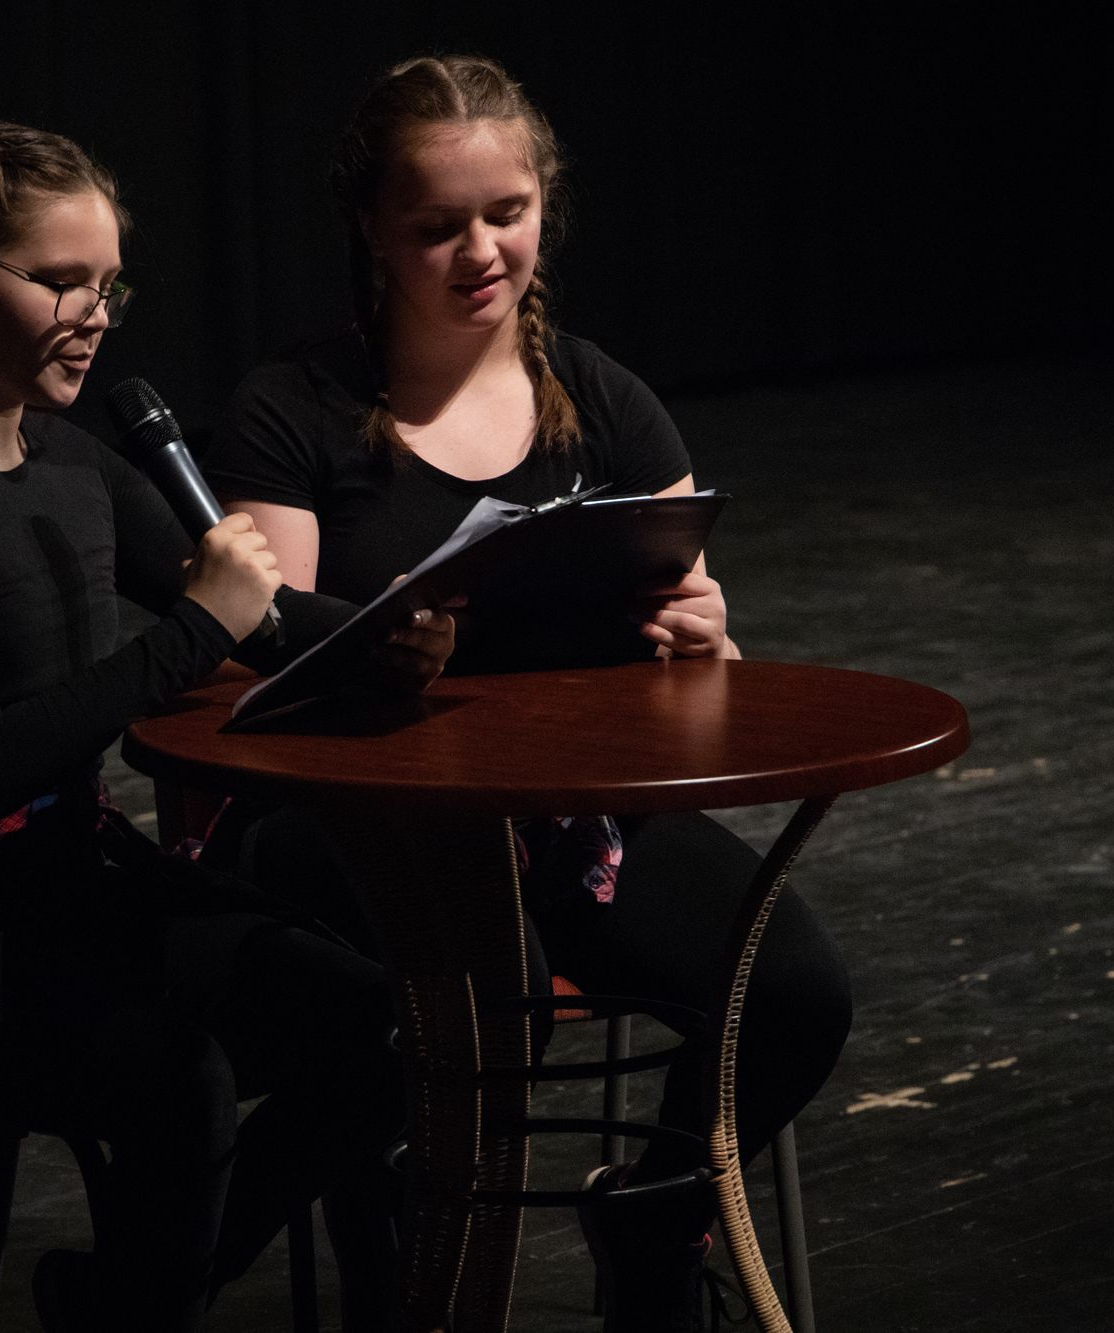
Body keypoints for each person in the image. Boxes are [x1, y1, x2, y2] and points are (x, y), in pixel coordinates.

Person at [202, 56, 854, 1331]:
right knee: (485, 1002)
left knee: (792, 994)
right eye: (436, 226)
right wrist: (368, 650)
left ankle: (652, 1216)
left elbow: (703, 675)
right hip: (359, 822)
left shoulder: (602, 400)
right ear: (370, 229)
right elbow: (254, 647)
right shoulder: (296, 410)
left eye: (506, 213)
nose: (479, 252)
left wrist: (706, 640)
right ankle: (360, 1237)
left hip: (572, 823)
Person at [0, 119, 401, 1333]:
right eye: (63, 282)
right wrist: (196, 629)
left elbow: (265, 618)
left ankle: (124, 1298)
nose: (96, 315)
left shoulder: (68, 457)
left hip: (56, 886)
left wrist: (403, 625)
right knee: (178, 1077)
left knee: (370, 1018)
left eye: (109, 286)